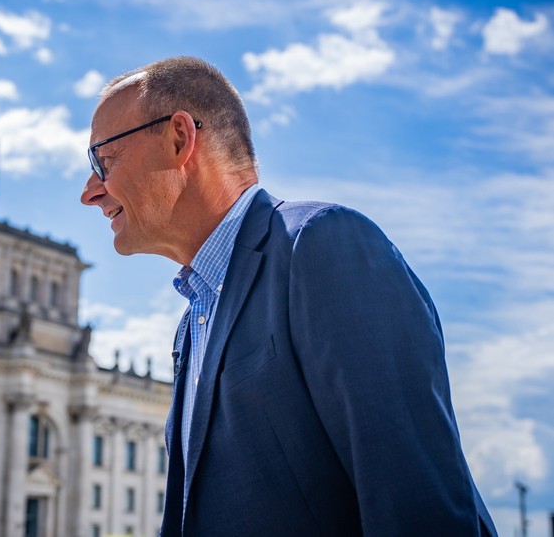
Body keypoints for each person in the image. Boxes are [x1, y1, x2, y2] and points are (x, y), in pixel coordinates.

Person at [80, 56, 496, 536]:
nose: (90, 192)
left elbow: (419, 505)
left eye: (103, 160)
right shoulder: (194, 321)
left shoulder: (322, 246)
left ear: (179, 138)